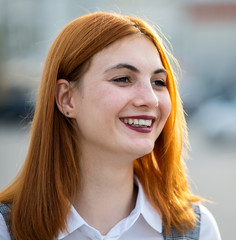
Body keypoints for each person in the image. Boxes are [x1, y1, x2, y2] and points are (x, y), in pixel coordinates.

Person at [0, 11, 221, 240]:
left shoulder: (197, 229)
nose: (151, 99)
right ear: (67, 99)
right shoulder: (6, 230)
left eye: (158, 82)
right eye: (123, 79)